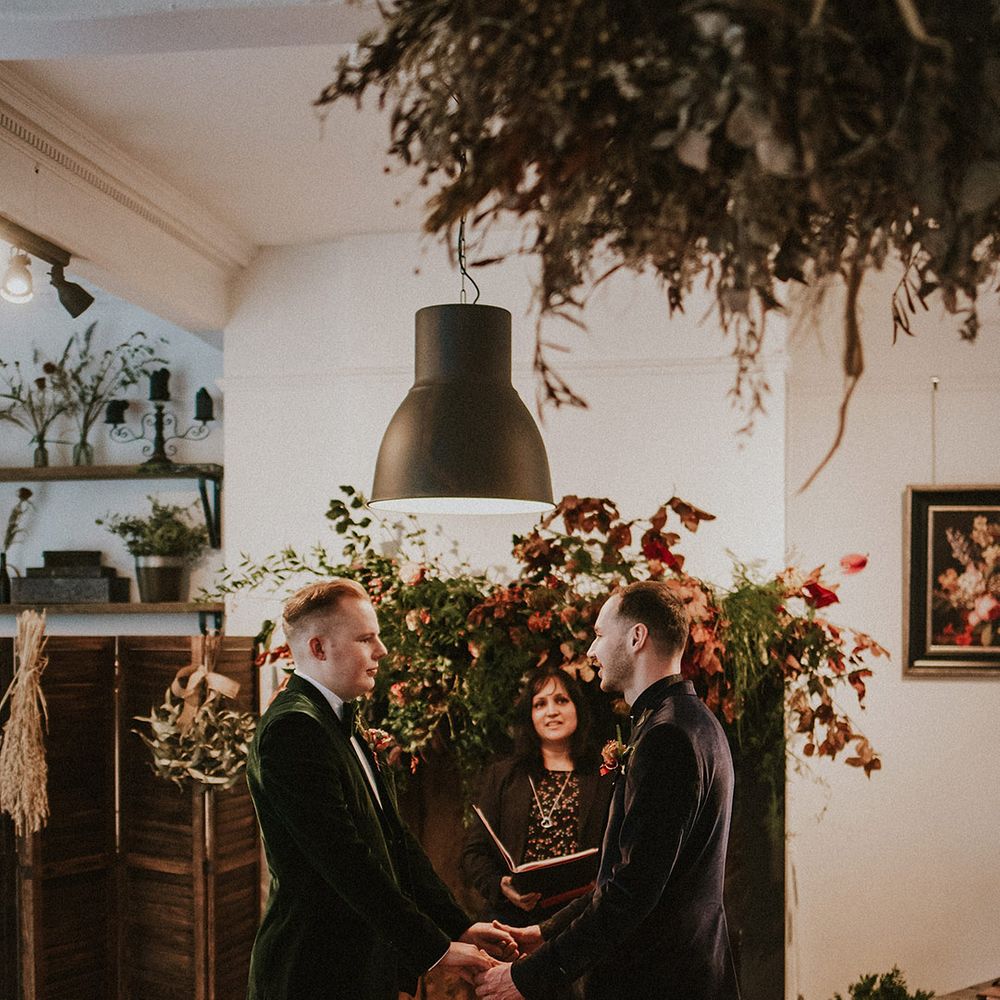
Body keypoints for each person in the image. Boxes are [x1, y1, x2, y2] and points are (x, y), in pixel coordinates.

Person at [246, 578, 512, 1000]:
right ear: (318, 648)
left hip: (362, 965)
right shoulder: (294, 728)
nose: (382, 650)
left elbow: (394, 840)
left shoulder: (340, 717)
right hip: (316, 970)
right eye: (365, 639)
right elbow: (345, 861)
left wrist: (457, 925)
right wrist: (436, 949)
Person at [475, 580, 741, 1000]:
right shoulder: (691, 720)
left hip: (658, 982)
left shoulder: (667, 736)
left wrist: (525, 977)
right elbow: (625, 873)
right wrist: (545, 932)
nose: (591, 651)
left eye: (600, 635)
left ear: (637, 637)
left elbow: (632, 891)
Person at [461, 667, 613, 926]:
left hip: (582, 919)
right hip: (513, 918)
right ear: (530, 716)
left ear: (577, 708)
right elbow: (474, 852)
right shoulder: (504, 775)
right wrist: (500, 886)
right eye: (540, 704)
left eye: (561, 700)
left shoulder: (603, 774)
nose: (551, 711)